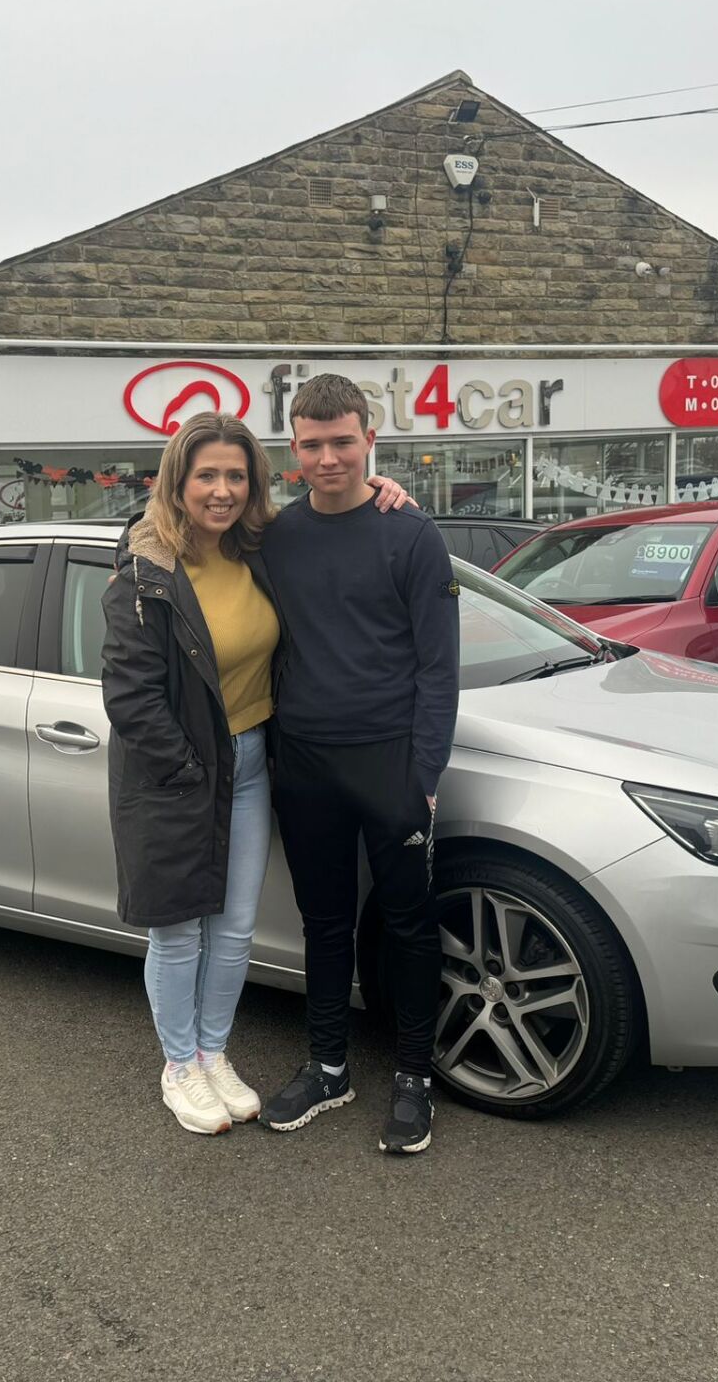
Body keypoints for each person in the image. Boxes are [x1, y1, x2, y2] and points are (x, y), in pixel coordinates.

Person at [100, 411, 409, 1135]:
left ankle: (214, 1052)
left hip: (248, 761)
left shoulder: (259, 549)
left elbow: (339, 522)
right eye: (206, 474)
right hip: (177, 770)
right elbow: (130, 696)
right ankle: (179, 1066)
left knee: (234, 929)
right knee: (179, 933)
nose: (222, 490)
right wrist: (185, 767)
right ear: (177, 481)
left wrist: (385, 490)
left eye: (236, 475)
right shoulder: (145, 572)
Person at [258, 374, 461, 1156]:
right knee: (325, 923)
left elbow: (439, 667)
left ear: (369, 441)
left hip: (390, 764)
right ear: (293, 451)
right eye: (312, 445)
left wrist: (427, 775)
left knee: (409, 924)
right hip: (304, 760)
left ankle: (414, 1077)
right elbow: (181, 529)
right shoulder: (276, 536)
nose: (328, 457)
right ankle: (330, 1065)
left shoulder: (411, 535)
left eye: (343, 441)